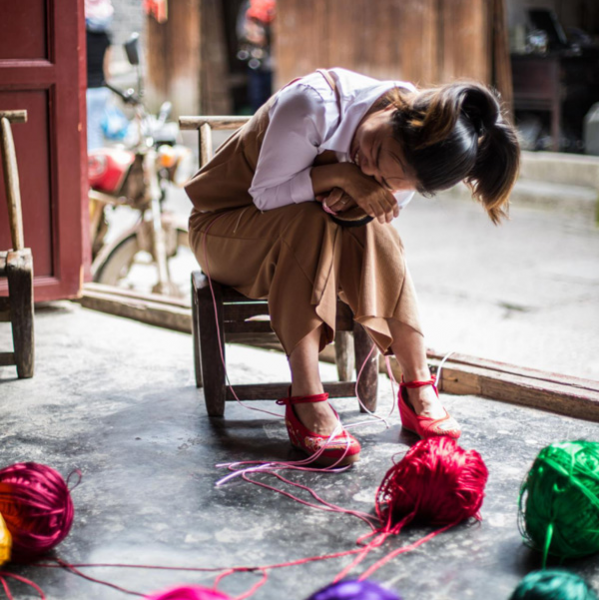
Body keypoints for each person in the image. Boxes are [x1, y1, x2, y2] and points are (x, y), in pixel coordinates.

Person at [185, 68, 520, 466]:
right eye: (376, 153)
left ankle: (416, 382)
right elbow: (265, 196)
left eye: (387, 179)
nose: (370, 169)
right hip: (222, 229)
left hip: (305, 240)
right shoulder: (313, 105)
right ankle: (305, 395)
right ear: (397, 108)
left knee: (375, 230)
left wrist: (356, 193)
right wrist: (344, 175)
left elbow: (377, 205)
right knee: (309, 222)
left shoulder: (412, 150)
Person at [85, 0, 113, 151]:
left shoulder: (81, 37)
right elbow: (107, 67)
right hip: (101, 88)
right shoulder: (106, 37)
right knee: (96, 128)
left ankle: (92, 164)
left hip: (86, 89)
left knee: (88, 129)